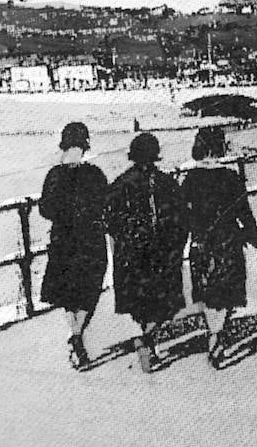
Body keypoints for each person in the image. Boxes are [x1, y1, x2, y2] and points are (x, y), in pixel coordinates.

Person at [105, 133, 188, 373]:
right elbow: (180, 218)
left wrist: (118, 249)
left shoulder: (120, 184)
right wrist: (177, 247)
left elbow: (109, 221)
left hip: (131, 256)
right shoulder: (166, 182)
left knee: (141, 303)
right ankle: (147, 340)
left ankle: (147, 340)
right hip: (161, 252)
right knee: (165, 302)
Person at [181, 127, 257, 367]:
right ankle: (217, 334)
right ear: (220, 147)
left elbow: (183, 214)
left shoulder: (190, 179)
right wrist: (252, 233)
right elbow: (243, 211)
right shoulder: (231, 177)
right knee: (227, 291)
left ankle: (212, 331)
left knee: (207, 291)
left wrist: (184, 239)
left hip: (201, 242)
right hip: (227, 240)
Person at [39, 122, 109, 369]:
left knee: (69, 295)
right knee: (90, 292)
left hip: (63, 242)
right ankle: (77, 336)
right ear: (85, 145)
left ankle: (76, 336)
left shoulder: (54, 175)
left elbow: (45, 209)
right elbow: (106, 205)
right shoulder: (95, 174)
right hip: (91, 241)